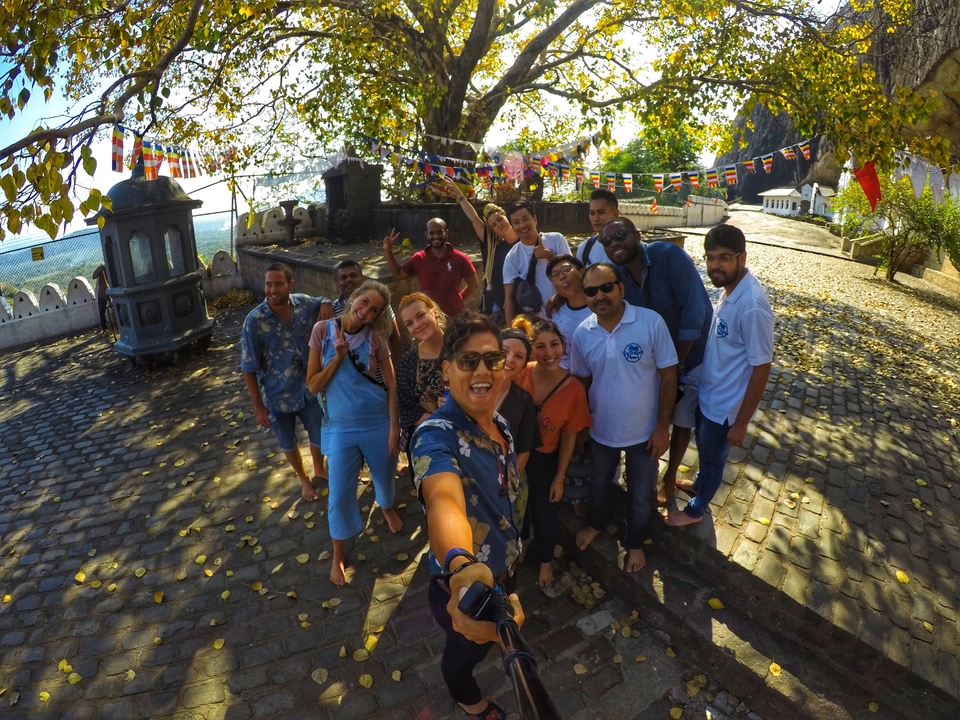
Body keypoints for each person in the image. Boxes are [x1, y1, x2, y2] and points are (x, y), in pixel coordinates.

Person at [410, 311, 526, 720]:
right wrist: (462, 565)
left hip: (505, 569)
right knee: (464, 654)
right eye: (468, 360)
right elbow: (444, 500)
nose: (483, 370)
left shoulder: (499, 424)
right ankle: (469, 701)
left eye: (493, 360)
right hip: (464, 589)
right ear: (446, 370)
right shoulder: (434, 435)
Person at [570, 263, 678, 572]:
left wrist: (662, 427)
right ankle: (596, 524)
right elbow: (582, 383)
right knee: (600, 485)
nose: (599, 296)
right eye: (591, 291)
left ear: (621, 288)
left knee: (641, 495)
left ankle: (635, 543)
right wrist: (579, 428)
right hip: (601, 430)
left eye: (606, 287)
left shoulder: (650, 322)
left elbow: (669, 376)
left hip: (645, 434)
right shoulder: (582, 333)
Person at [597, 217, 712, 504]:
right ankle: (644, 466)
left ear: (637, 234)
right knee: (655, 409)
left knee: (681, 416)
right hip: (654, 359)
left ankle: (670, 476)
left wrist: (674, 366)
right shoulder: (618, 278)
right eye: (606, 241)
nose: (614, 243)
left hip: (692, 353)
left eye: (620, 234)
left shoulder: (667, 256)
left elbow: (694, 313)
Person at [666, 225, 774, 526]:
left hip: (726, 408)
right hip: (709, 395)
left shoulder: (752, 305)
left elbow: (761, 367)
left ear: (742, 258)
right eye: (710, 258)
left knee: (714, 459)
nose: (716, 265)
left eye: (725, 258)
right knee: (704, 449)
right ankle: (700, 485)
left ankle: (695, 510)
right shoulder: (730, 291)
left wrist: (741, 423)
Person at [306, 280, 403, 585]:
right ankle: (338, 554)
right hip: (340, 427)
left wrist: (394, 428)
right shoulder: (322, 331)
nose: (365, 311)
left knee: (384, 477)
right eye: (364, 302)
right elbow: (312, 386)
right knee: (338, 496)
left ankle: (385, 506)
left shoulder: (375, 339)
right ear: (353, 298)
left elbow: (391, 385)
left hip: (378, 422)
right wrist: (336, 356)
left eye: (373, 310)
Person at [241, 262, 334, 502]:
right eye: (268, 284)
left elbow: (324, 300)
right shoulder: (254, 321)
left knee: (318, 434)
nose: (272, 289)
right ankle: (304, 480)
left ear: (290, 285)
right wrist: (258, 406)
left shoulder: (304, 303)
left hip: (309, 389)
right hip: (276, 396)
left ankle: (319, 469)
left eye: (278, 284)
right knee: (287, 441)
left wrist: (324, 304)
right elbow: (248, 367)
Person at [515, 317, 592, 587]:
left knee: (544, 511)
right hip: (515, 453)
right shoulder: (521, 371)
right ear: (531, 349)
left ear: (563, 345)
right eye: (540, 346)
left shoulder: (573, 390)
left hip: (545, 458)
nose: (549, 353)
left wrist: (560, 476)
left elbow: (570, 435)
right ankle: (524, 541)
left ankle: (545, 562)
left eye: (554, 345)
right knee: (517, 506)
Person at [442, 176, 519, 324]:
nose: (499, 224)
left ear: (506, 217)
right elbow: (474, 218)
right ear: (492, 230)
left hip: (519, 301)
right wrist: (460, 195)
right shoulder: (492, 245)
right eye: (494, 225)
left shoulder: (523, 242)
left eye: (500, 219)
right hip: (494, 304)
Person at [382, 219, 480, 318]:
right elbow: (398, 274)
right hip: (430, 317)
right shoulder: (419, 259)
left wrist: (458, 300)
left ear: (446, 233)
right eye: (431, 233)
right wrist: (388, 249)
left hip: (455, 317)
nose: (436, 236)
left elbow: (474, 283)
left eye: (439, 232)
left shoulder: (460, 258)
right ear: (426, 235)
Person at [502, 201, 571, 325]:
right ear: (512, 226)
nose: (522, 225)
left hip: (567, 314)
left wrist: (549, 256)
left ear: (535, 219)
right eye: (516, 222)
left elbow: (573, 274)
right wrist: (510, 333)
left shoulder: (556, 239)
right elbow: (508, 298)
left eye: (525, 219)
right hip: (536, 324)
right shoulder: (512, 257)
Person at [396, 293, 447, 455]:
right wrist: (441, 418)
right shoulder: (408, 362)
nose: (417, 325)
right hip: (429, 442)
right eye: (409, 323)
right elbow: (406, 409)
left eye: (420, 315)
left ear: (434, 312)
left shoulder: (462, 348)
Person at [332, 259, 404, 361]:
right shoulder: (332, 309)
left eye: (353, 275)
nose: (348, 280)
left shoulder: (381, 305)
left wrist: (398, 368)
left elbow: (394, 338)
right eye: (343, 277)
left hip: (379, 372)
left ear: (362, 278)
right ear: (338, 283)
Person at [497, 326, 541, 479]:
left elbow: (524, 449)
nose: (509, 359)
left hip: (502, 478)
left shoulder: (523, 400)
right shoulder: (468, 388)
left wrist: (510, 482)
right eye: (504, 352)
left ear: (523, 367)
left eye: (519, 356)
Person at [542, 255, 591, 370]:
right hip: (565, 378)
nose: (562, 276)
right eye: (555, 275)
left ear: (581, 272)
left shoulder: (601, 308)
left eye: (566, 270)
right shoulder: (553, 312)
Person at [576, 189, 621, 266]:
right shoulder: (584, 248)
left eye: (601, 212)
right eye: (592, 213)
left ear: (616, 214)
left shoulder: (629, 245)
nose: (595, 218)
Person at [92, 264, 109, 331]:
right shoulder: (102, 268)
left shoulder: (114, 266)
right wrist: (100, 270)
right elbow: (94, 276)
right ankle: (105, 328)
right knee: (102, 311)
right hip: (103, 292)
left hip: (112, 291)